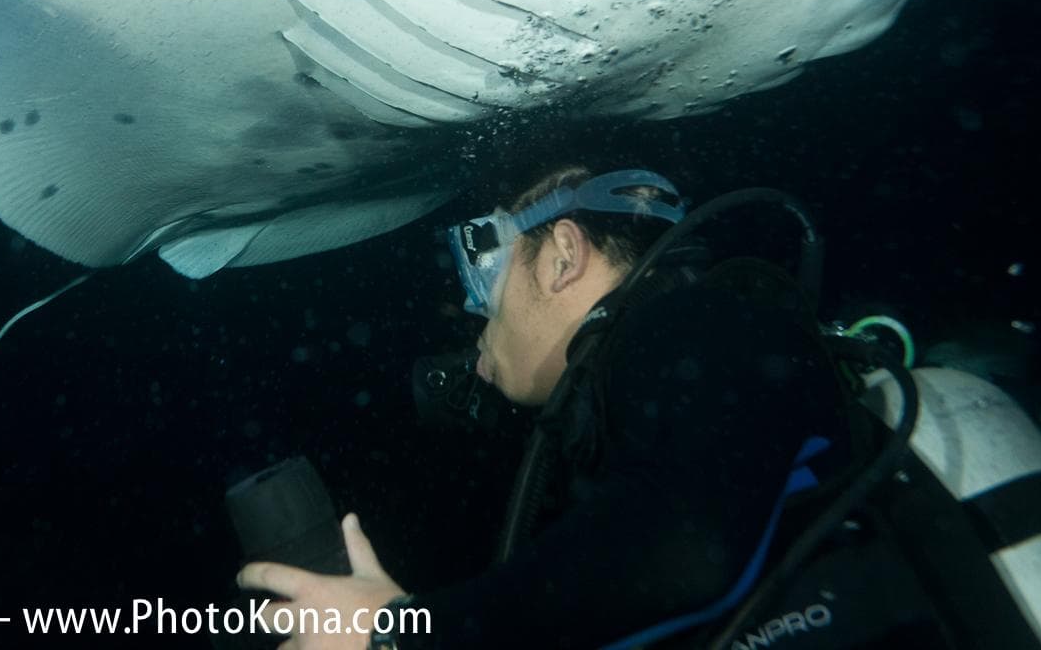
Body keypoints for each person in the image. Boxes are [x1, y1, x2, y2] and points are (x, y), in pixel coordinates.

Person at [238, 165, 855, 649]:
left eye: (481, 269)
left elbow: (687, 553)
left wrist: (402, 631)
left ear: (564, 256)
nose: (475, 312)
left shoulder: (684, 325)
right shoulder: (658, 373)